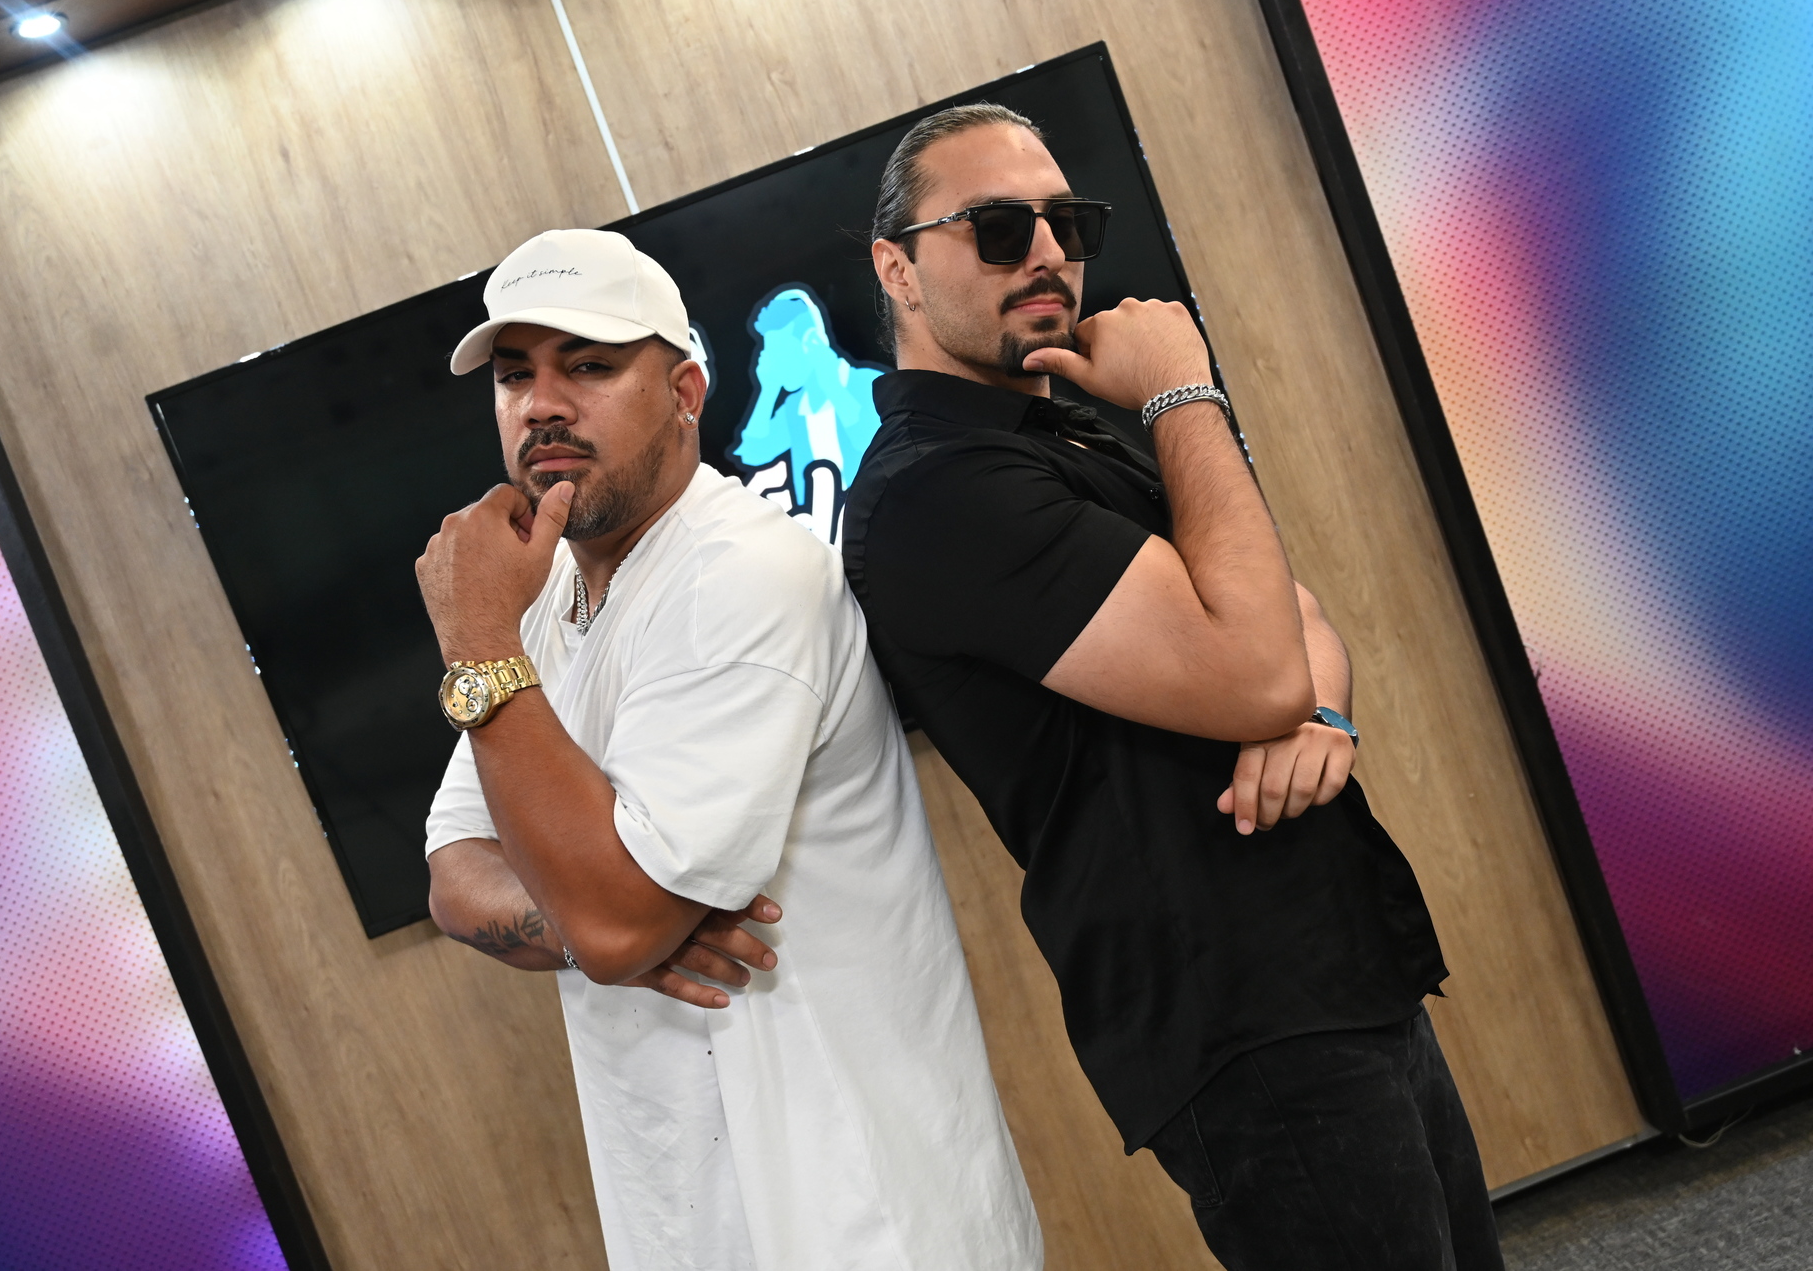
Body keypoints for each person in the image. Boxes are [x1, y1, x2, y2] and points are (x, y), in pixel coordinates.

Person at [842, 104, 1504, 1270]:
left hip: (1333, 962)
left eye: (1067, 222)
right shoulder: (935, 490)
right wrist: (1182, 390)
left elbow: (1295, 620)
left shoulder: (1058, 433)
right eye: (998, 227)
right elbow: (1256, 666)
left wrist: (1319, 710)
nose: (1049, 252)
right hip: (1242, 1016)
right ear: (897, 268)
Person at [414, 228, 1039, 1271]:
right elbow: (453, 873)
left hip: (856, 1220)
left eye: (590, 365)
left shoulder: (740, 575)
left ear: (687, 392)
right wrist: (600, 920)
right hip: (695, 1213)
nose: (541, 404)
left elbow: (617, 921)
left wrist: (477, 640)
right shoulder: (541, 598)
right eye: (515, 375)